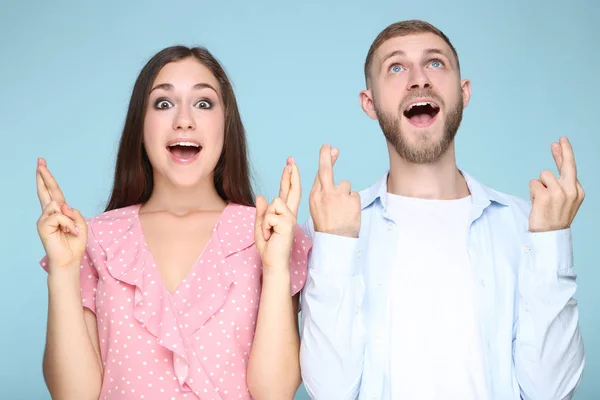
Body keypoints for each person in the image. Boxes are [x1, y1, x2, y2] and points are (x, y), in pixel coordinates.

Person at [299, 20, 585, 400]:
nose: (418, 80)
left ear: (463, 93)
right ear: (370, 103)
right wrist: (334, 245)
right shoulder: (335, 227)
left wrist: (551, 240)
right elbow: (330, 391)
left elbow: (551, 392)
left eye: (435, 63)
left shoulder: (524, 226)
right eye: (396, 67)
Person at [36, 45, 310, 400]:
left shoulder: (269, 232)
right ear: (141, 125)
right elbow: (73, 395)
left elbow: (274, 392)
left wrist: (274, 270)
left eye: (203, 103)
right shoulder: (94, 238)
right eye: (163, 104)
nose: (184, 119)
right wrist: (62, 270)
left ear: (226, 124)